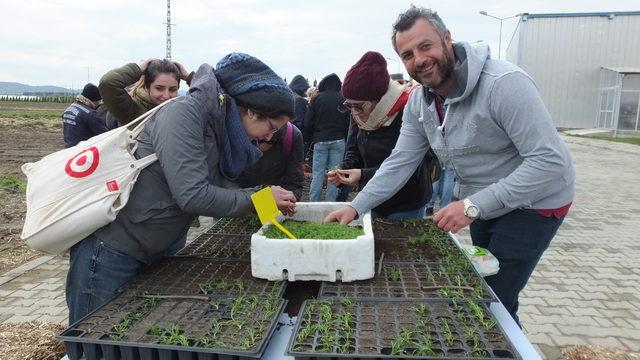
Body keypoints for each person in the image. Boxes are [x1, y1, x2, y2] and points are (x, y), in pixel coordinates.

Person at [325, 6, 575, 325]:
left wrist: (471, 206)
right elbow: (400, 162)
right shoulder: (420, 102)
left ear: (446, 39)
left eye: (425, 46)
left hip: (535, 202)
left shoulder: (504, 83)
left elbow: (549, 161)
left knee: (494, 297)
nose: (419, 59)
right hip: (483, 201)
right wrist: (356, 207)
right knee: (489, 289)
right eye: (407, 54)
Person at [66, 53, 297, 325]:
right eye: (270, 127)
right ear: (250, 111)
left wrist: (269, 204)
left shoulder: (217, 125)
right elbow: (193, 195)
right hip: (114, 249)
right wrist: (259, 199)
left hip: (155, 245)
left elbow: (219, 183)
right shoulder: (183, 114)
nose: (269, 137)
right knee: (94, 335)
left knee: (135, 329)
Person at [327, 51, 432, 219]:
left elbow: (408, 166)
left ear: (380, 100)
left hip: (407, 200)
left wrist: (362, 174)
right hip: (371, 197)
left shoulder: (406, 110)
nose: (354, 112)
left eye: (359, 106)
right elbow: (353, 147)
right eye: (349, 105)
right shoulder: (358, 111)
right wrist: (344, 171)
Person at [99, 58, 193, 126]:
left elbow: (207, 98)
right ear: (147, 87)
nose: (166, 95)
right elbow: (108, 83)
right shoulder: (132, 111)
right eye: (159, 88)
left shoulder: (180, 111)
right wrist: (137, 69)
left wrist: (189, 77)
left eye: (172, 89)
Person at [303, 73, 350, 201]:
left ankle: (313, 204)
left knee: (317, 174)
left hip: (320, 141)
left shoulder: (316, 99)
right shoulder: (342, 99)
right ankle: (331, 204)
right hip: (339, 142)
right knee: (335, 175)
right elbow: (348, 123)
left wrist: (311, 138)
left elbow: (307, 123)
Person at [237, 121, 305, 201]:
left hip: (272, 203)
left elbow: (294, 183)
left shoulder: (292, 136)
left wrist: (288, 202)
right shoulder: (237, 130)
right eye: (258, 140)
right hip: (239, 200)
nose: (268, 138)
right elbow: (226, 181)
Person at [61, 83, 109, 148]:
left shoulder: (69, 109)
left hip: (68, 149)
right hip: (82, 151)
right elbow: (105, 135)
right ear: (94, 101)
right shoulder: (90, 114)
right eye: (98, 101)